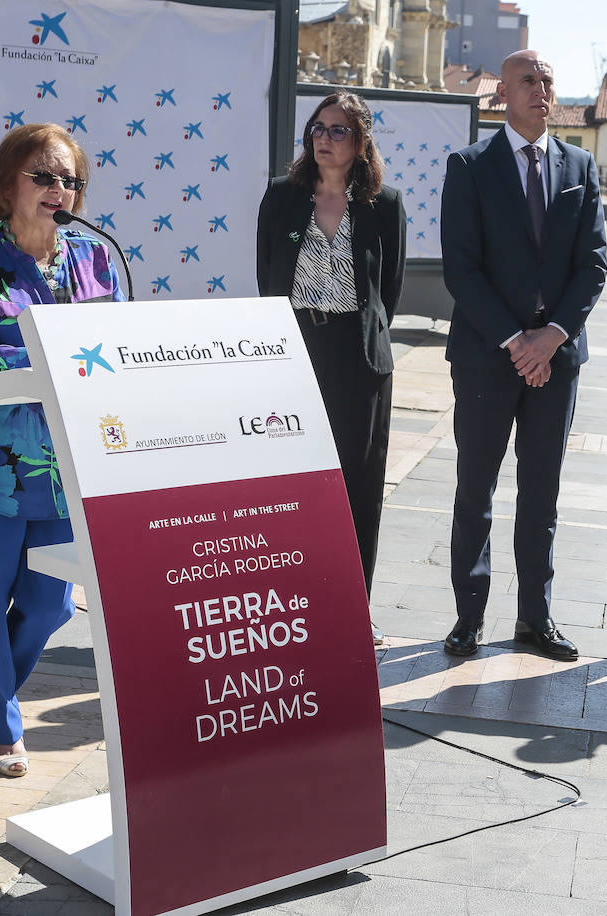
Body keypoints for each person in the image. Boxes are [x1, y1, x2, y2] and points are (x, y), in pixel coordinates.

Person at [0, 123, 124, 777]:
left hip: (64, 460)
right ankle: (2, 728)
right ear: (8, 182)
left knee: (50, 603)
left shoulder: (94, 260)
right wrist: (69, 356)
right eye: (43, 174)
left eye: (69, 178)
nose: (58, 188)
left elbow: (114, 348)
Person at [440, 49, 607, 661]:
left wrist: (553, 335)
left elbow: (592, 265)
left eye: (547, 80)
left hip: (557, 360)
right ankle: (469, 616)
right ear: (502, 97)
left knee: (542, 492)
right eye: (527, 81)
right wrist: (517, 340)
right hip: (489, 356)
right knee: (475, 488)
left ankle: (535, 618)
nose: (541, 89)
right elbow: (462, 265)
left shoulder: (581, 166)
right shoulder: (469, 165)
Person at [256, 91, 406, 646]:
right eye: (317, 128)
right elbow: (266, 275)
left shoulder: (384, 203)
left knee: (357, 489)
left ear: (361, 140)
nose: (323, 138)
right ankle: (292, 604)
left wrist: (359, 337)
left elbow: (385, 294)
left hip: (358, 359)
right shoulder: (282, 196)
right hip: (293, 351)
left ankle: (353, 609)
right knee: (294, 484)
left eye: (338, 130)